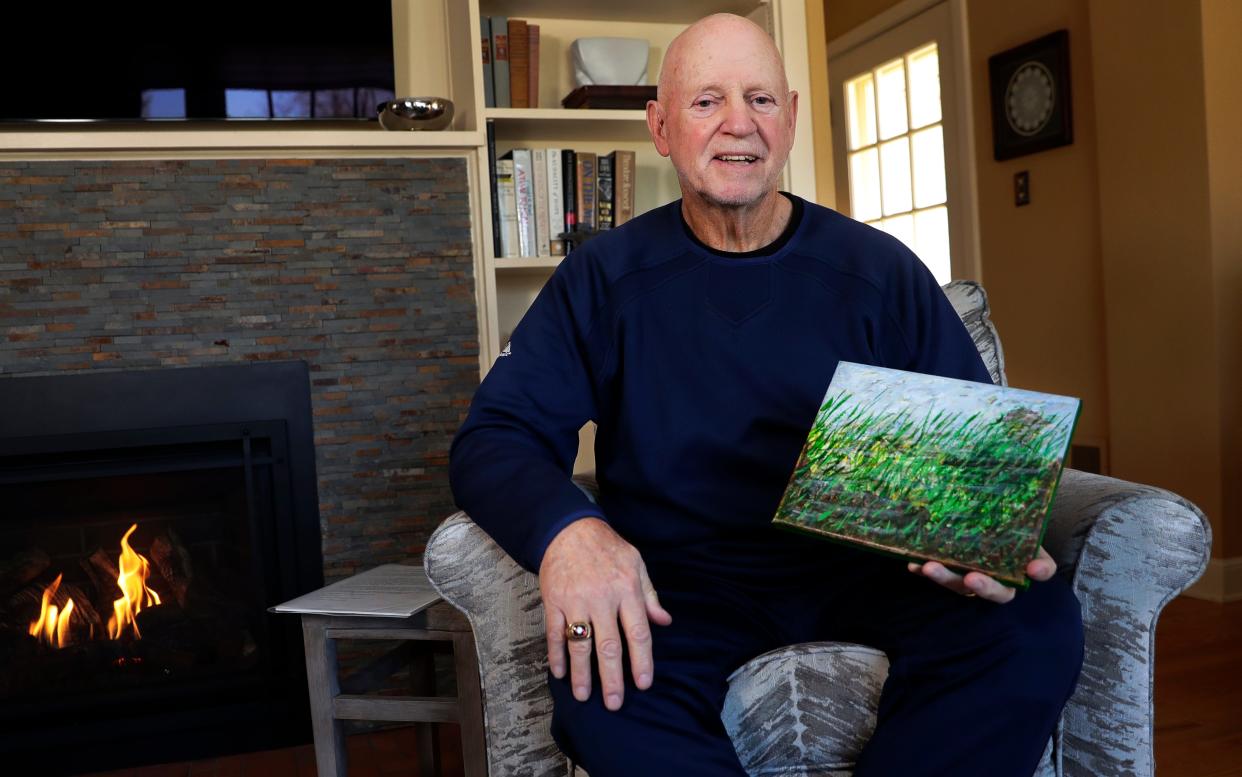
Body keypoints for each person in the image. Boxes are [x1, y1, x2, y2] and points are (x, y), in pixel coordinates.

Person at [450, 13, 1083, 776]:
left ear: (789, 118)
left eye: (760, 99)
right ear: (661, 126)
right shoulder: (604, 278)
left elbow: (975, 456)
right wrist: (569, 533)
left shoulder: (880, 270)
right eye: (706, 101)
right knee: (598, 687)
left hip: (869, 568)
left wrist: (979, 534)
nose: (738, 124)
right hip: (683, 584)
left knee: (1036, 620)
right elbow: (494, 436)